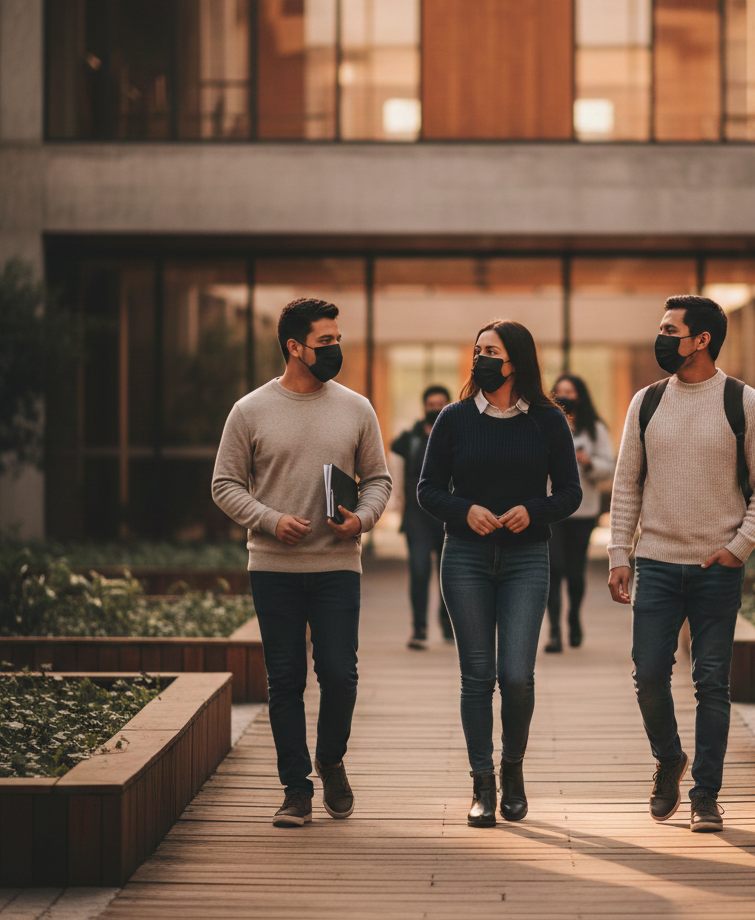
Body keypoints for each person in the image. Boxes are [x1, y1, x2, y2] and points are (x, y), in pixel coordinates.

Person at [212, 297, 391, 828]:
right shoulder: (249, 410)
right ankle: (296, 789)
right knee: (284, 681)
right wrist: (269, 520)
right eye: (325, 342)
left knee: (339, 674)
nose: (336, 349)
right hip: (273, 568)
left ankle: (330, 759)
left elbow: (380, 480)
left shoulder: (356, 408)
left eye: (338, 339)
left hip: (338, 566)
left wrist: (361, 519)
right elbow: (224, 484)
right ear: (294, 346)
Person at [607, 295, 755, 834]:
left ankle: (706, 794)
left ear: (701, 339)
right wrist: (620, 553)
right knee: (650, 675)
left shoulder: (744, 402)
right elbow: (626, 485)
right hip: (657, 562)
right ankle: (669, 758)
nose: (661, 338)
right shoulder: (647, 401)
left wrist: (739, 547)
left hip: (717, 567)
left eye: (669, 329)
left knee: (712, 682)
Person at [418, 319, 581, 828]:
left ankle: (513, 770)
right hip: (464, 556)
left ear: (516, 362)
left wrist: (534, 510)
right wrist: (463, 510)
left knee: (516, 676)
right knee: (477, 676)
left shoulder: (548, 421)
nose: (481, 359)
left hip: (526, 560)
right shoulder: (453, 418)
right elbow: (427, 489)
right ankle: (482, 784)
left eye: (492, 351)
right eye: (477, 350)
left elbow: (570, 494)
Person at [545, 374, 614, 653]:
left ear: (580, 396)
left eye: (569, 391)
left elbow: (609, 468)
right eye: (559, 391)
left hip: (583, 510)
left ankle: (573, 617)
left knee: (574, 572)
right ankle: (553, 632)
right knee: (553, 569)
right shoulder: (545, 424)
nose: (564, 396)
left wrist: (588, 462)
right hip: (551, 509)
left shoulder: (596, 429)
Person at [390, 385, 454, 650]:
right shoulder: (410, 437)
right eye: (431, 404)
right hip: (416, 517)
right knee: (418, 572)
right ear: (424, 407)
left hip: (449, 515)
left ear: (449, 405)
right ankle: (419, 628)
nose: (435, 408)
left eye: (441, 403)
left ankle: (448, 624)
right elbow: (395, 458)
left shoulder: (457, 434)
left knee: (448, 575)